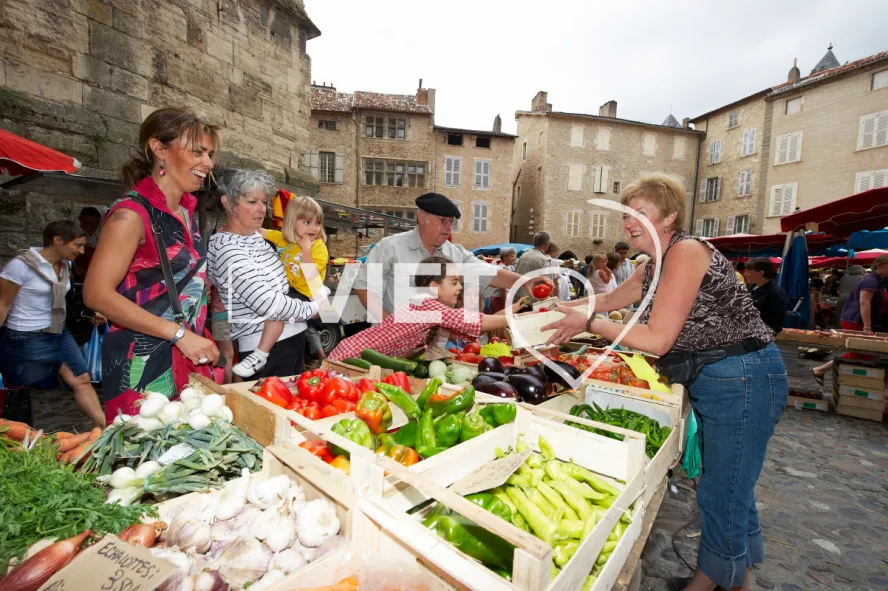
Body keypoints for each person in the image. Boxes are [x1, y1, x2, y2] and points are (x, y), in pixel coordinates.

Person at [541, 174, 784, 591]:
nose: (629, 222)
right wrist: (556, 307)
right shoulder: (654, 261)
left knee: (721, 491)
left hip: (743, 377)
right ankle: (737, 577)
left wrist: (591, 323)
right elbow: (610, 300)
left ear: (669, 216)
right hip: (721, 379)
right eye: (626, 214)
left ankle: (711, 583)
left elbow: (657, 339)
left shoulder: (686, 251)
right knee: (731, 481)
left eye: (641, 212)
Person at [83, 108, 222, 422]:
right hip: (142, 367)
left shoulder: (187, 213)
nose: (209, 164)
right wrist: (178, 334)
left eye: (210, 154)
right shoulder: (130, 213)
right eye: (198, 152)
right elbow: (95, 294)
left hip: (188, 357)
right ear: (159, 149)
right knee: (144, 464)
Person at [352, 193, 551, 318]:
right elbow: (364, 287)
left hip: (436, 347)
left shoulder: (454, 253)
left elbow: (491, 273)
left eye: (451, 222)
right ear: (422, 217)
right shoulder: (390, 247)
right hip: (394, 345)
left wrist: (523, 280)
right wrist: (388, 322)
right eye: (443, 221)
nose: (448, 227)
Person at [208, 170, 325, 380]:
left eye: (264, 202)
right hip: (267, 350)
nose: (261, 209)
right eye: (252, 201)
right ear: (228, 203)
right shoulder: (227, 249)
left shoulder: (259, 238)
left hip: (293, 340)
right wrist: (314, 308)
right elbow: (270, 305)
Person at [0, 221, 105, 427]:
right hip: (24, 337)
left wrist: (89, 313)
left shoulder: (66, 265)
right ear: (57, 241)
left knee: (81, 379)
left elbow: (69, 300)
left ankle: (106, 426)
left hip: (58, 334)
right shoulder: (20, 265)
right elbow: (3, 304)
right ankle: (16, 439)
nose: (82, 251)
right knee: (17, 392)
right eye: (77, 245)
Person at [330, 256, 527, 361]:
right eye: (454, 282)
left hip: (362, 358)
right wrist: (511, 318)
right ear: (434, 286)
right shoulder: (425, 303)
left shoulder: (430, 309)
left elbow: (473, 325)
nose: (459, 287)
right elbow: (469, 320)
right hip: (350, 356)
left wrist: (514, 311)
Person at [232, 193, 329, 378]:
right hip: (290, 289)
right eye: (307, 222)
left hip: (308, 292)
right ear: (292, 222)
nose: (314, 228)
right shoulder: (286, 241)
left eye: (317, 223)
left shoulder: (318, 247)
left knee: (277, 311)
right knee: (276, 308)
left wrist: (306, 250)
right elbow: (263, 232)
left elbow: (312, 277)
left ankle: (260, 354)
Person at [812, 257, 888, 385]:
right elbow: (864, 302)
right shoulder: (870, 281)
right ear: (880, 265)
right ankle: (821, 369)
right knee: (860, 352)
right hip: (856, 320)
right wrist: (867, 328)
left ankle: (858, 383)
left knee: (864, 353)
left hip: (861, 320)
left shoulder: (881, 281)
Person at [745, 258, 788, 335]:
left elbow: (776, 322)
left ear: (761, 272)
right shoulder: (751, 286)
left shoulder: (775, 293)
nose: (745, 274)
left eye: (749, 271)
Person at [513, 231, 558, 302]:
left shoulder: (523, 256)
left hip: (517, 299)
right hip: (532, 300)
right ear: (547, 244)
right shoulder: (545, 260)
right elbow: (548, 286)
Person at [484, 246, 517, 313]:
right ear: (505, 257)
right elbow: (503, 289)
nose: (514, 258)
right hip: (498, 299)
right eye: (511, 256)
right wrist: (505, 304)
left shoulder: (499, 267)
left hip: (494, 298)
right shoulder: (504, 269)